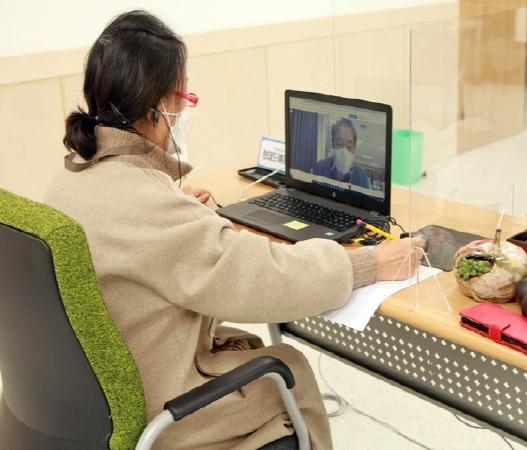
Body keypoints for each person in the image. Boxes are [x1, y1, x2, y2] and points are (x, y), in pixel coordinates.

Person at [45, 10, 424, 450]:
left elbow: (145, 236)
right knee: (288, 367)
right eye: (183, 96)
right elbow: (263, 280)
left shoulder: (72, 175)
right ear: (156, 108)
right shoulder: (147, 204)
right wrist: (368, 263)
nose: (184, 109)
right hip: (154, 407)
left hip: (87, 398)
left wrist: (178, 210)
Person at [314, 118, 371, 189]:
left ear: (354, 147)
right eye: (339, 144)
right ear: (333, 143)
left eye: (349, 146)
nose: (344, 153)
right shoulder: (320, 166)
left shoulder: (362, 177)